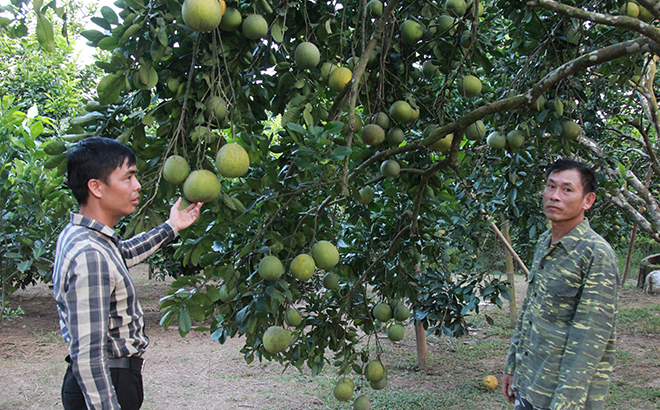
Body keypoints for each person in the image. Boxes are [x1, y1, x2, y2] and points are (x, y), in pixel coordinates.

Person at [52, 137, 203, 410]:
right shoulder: (90, 254)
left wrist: (172, 226)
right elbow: (88, 354)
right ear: (96, 187)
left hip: (111, 377)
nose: (137, 186)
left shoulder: (82, 236)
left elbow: (123, 254)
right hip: (109, 379)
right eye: (128, 177)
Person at [501, 158, 619, 410]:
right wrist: (512, 367)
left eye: (567, 189)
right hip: (530, 382)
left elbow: (590, 337)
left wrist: (567, 401)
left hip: (562, 396)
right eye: (550, 186)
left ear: (587, 200)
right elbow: (529, 312)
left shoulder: (595, 253)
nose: (554, 196)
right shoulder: (546, 241)